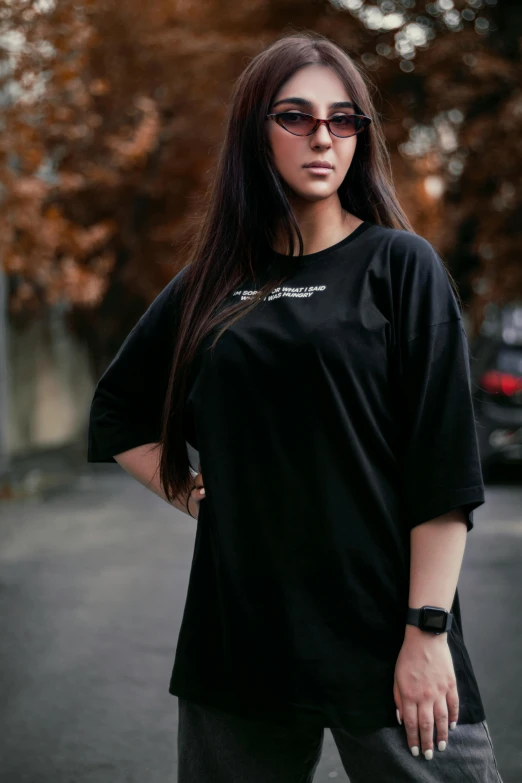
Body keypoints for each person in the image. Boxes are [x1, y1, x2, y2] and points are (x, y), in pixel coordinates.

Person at [87, 31, 504, 783]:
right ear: (256, 133)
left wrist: (427, 630)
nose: (323, 136)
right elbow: (119, 408)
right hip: (239, 635)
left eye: (343, 120)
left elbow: (443, 464)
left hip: (383, 629)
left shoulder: (398, 265)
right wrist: (185, 487)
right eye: (297, 116)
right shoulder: (215, 281)